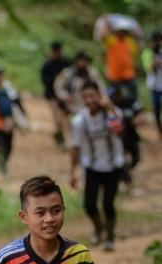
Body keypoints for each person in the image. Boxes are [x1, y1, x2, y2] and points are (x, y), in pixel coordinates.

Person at [69, 81, 124, 251]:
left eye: (92, 95)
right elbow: (75, 147)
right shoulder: (79, 121)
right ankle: (99, 228)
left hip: (113, 166)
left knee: (108, 203)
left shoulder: (111, 114)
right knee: (89, 203)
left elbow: (119, 129)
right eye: (86, 96)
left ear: (100, 96)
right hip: (92, 167)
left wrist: (110, 107)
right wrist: (73, 172)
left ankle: (110, 236)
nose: (89, 99)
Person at [0, 66, 26, 173]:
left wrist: (23, 114)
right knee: (1, 145)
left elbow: (16, 101)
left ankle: (3, 164)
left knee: (9, 145)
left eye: (0, 73)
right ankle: (1, 166)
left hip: (8, 122)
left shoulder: (8, 86)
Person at [54, 51, 106, 117]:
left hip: (90, 107)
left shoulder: (93, 73)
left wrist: (99, 98)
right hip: (72, 106)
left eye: (84, 61)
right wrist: (65, 96)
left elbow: (101, 88)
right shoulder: (67, 73)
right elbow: (58, 87)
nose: (82, 63)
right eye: (80, 61)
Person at [41, 41, 72, 146]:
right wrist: (54, 79)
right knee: (58, 119)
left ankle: (66, 138)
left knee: (66, 118)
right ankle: (61, 139)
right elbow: (44, 80)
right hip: (52, 95)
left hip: (65, 95)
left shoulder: (65, 62)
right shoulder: (47, 64)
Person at [103, 27, 139, 104]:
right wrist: (105, 21)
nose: (122, 34)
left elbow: (135, 53)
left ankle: (130, 108)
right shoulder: (112, 40)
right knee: (115, 95)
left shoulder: (129, 42)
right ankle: (117, 110)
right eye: (120, 31)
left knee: (133, 94)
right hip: (114, 74)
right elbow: (104, 35)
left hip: (128, 73)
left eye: (123, 32)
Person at [141, 31, 162, 138]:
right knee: (157, 107)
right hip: (154, 85)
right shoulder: (147, 53)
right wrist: (155, 63)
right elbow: (148, 68)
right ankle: (159, 129)